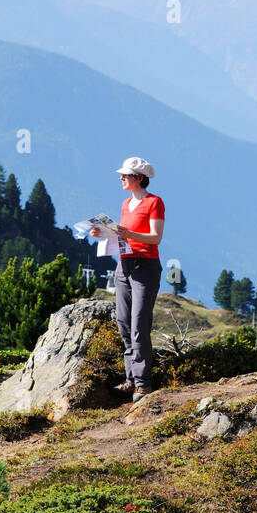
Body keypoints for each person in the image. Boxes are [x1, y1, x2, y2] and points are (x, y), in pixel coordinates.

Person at [91, 156, 164, 403]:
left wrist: (128, 232)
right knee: (124, 322)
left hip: (145, 266)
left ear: (139, 178)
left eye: (126, 175)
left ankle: (143, 384)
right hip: (124, 265)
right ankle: (131, 378)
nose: (121, 178)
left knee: (139, 323)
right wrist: (104, 232)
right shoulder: (125, 204)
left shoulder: (155, 202)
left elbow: (155, 238)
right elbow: (123, 237)